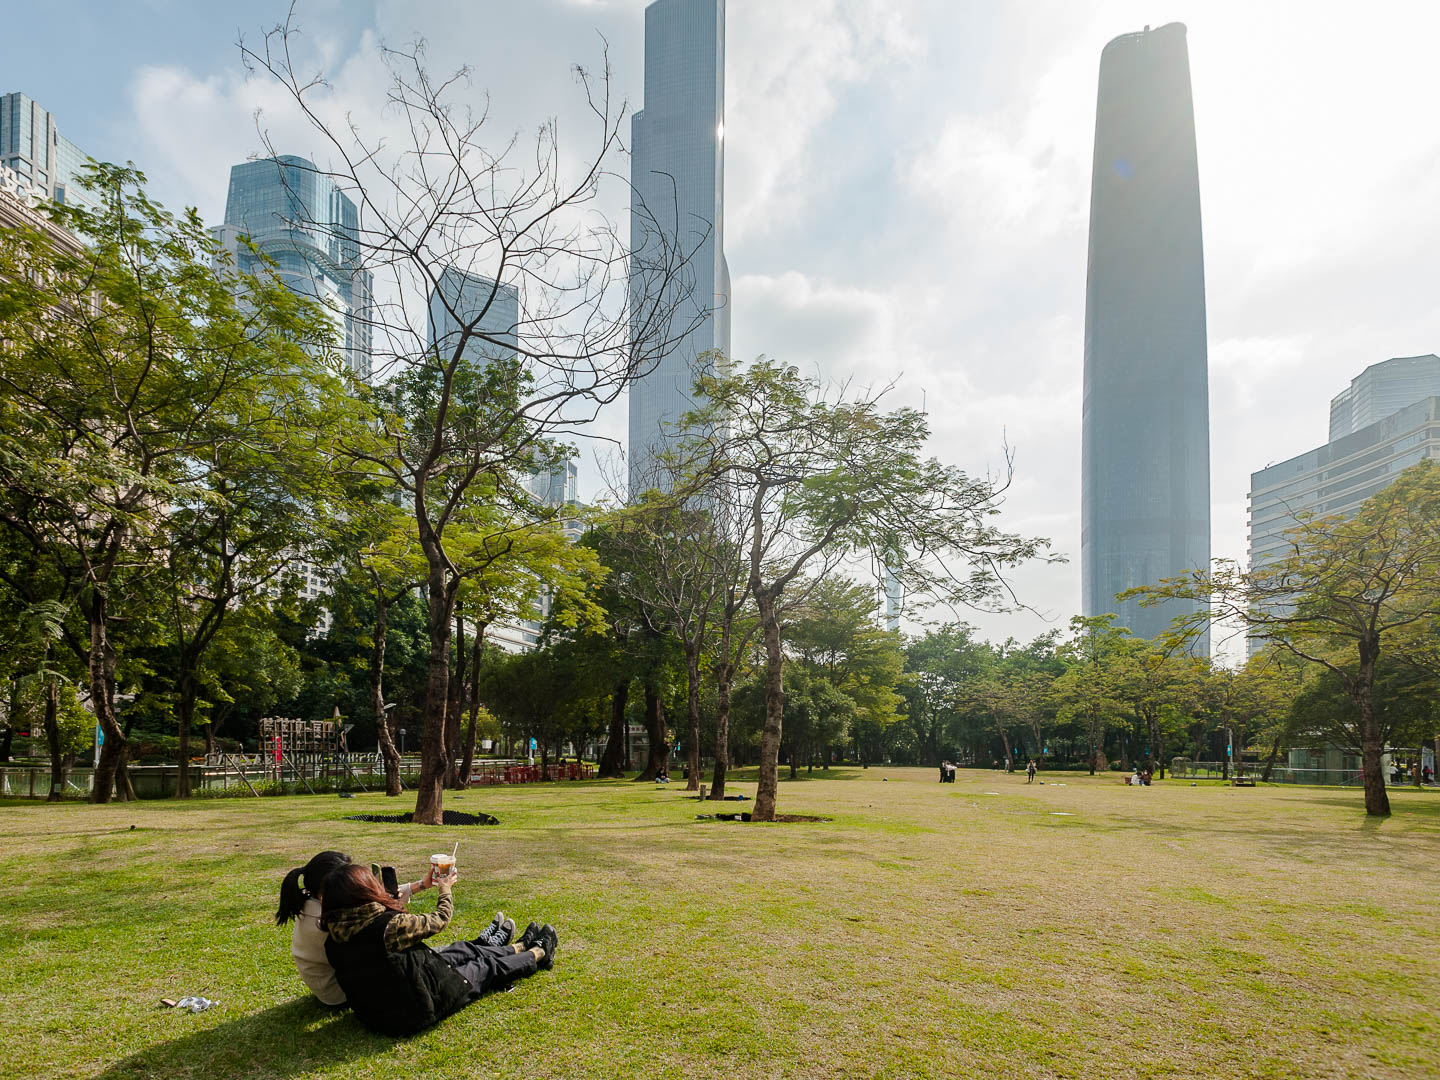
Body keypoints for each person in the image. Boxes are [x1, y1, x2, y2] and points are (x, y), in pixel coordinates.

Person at [321, 862, 557, 1035]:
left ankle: (520, 946)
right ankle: (539, 953)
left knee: (464, 949)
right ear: (364, 893)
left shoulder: (333, 936)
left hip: (378, 1010)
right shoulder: (388, 928)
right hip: (416, 1008)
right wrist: (445, 888)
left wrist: (421, 885)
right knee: (485, 967)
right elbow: (440, 919)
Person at [276, 850, 513, 1006]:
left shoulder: (315, 903)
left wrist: (421, 884)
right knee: (417, 956)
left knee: (423, 954)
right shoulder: (326, 917)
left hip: (333, 984)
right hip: (342, 992)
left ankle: (482, 946)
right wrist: (444, 889)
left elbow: (373, 904)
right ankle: (484, 948)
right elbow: (378, 918)